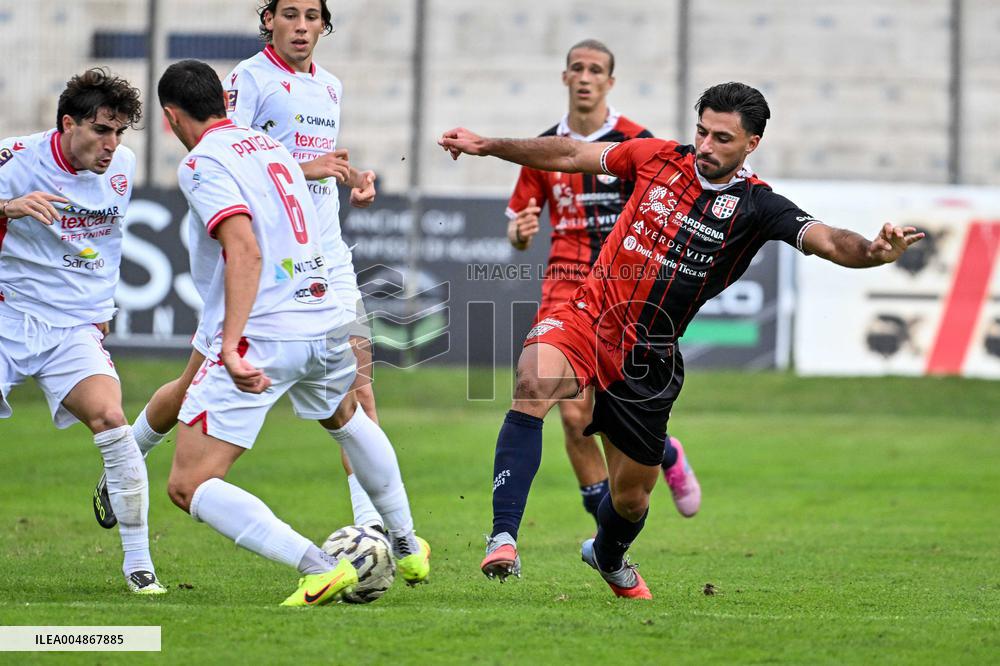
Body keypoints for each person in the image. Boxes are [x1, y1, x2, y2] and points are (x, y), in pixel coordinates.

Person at [440, 81, 924, 599]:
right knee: (534, 382)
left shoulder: (758, 207)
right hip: (589, 315)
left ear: (751, 144)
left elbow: (826, 239)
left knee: (631, 500)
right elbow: (571, 151)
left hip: (647, 358)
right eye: (701, 131)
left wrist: (872, 251)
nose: (705, 146)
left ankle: (607, 554)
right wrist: (490, 145)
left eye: (721, 138)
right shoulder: (656, 158)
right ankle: (503, 537)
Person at [91, 0, 431, 584]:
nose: (302, 26)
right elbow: (254, 163)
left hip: (278, 289)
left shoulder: (319, 93)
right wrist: (313, 167)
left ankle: (357, 547)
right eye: (290, 14)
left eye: (312, 16)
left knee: (349, 398)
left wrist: (341, 175)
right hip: (301, 288)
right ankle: (128, 458)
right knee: (336, 406)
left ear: (171, 119)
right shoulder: (249, 86)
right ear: (268, 19)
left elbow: (241, 230)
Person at [157, 58, 426, 606]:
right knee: (345, 416)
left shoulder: (202, 162)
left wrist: (230, 346)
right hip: (322, 315)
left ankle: (321, 566)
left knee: (189, 484)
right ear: (226, 103)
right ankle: (406, 542)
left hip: (270, 330)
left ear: (170, 118)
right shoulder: (272, 148)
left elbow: (244, 250)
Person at [504, 38, 699, 531]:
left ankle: (664, 451)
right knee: (571, 415)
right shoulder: (543, 151)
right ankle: (604, 526)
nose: (586, 77)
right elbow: (518, 227)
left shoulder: (636, 139)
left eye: (596, 70)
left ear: (609, 82)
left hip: (624, 286)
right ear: (566, 78)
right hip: (566, 284)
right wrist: (520, 234)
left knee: (617, 408)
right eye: (577, 68)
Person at [0, 68, 165, 594]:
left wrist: (101, 304)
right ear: (68, 123)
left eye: (119, 132)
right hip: (7, 316)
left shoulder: (125, 166)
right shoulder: (15, 159)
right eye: (101, 130)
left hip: (71, 327)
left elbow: (108, 241)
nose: (112, 144)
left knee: (113, 422)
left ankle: (139, 566)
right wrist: (8, 207)